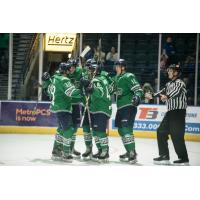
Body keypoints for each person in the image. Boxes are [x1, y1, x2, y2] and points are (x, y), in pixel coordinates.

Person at [146, 64, 189, 165]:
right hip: (170, 112)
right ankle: (164, 156)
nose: (168, 72)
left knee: (176, 135)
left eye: (171, 70)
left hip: (178, 112)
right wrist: (151, 96)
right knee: (161, 131)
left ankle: (184, 159)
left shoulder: (180, 83)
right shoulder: (168, 84)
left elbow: (176, 92)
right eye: (169, 70)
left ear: (176, 73)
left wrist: (167, 96)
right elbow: (161, 92)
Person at [42, 62, 82, 162]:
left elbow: (48, 91)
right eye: (69, 69)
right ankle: (66, 153)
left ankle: (56, 151)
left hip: (57, 108)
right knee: (69, 130)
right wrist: (83, 89)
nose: (70, 71)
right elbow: (72, 92)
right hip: (63, 108)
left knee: (61, 129)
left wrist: (46, 82)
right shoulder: (64, 80)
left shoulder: (54, 79)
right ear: (66, 71)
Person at [113, 59, 144, 164]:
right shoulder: (116, 78)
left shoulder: (128, 76)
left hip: (128, 106)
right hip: (120, 108)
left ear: (123, 67)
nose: (116, 68)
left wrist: (138, 96)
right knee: (121, 130)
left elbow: (138, 89)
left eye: (118, 66)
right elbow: (109, 89)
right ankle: (129, 150)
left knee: (126, 129)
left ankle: (132, 153)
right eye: (115, 66)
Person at [81, 62, 112, 162]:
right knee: (96, 131)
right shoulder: (101, 78)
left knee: (99, 131)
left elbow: (100, 93)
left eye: (91, 70)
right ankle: (100, 150)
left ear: (95, 71)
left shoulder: (97, 80)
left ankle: (105, 151)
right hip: (97, 107)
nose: (89, 71)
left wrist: (90, 89)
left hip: (100, 108)